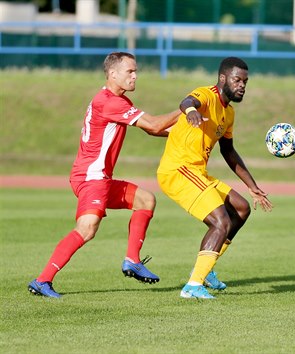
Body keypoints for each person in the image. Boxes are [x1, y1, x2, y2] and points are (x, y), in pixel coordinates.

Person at [28, 52, 181, 298]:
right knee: (87, 228)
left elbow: (154, 130)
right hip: (91, 178)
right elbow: (154, 125)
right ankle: (42, 280)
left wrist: (191, 132)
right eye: (130, 71)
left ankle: (132, 260)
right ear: (113, 74)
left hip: (99, 177)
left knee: (145, 199)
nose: (135, 76)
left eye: (135, 71)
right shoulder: (110, 102)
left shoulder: (117, 101)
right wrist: (185, 108)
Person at [157, 56, 273, 299]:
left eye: (245, 81)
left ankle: (206, 268)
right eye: (237, 79)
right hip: (178, 169)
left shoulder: (228, 113)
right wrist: (191, 111)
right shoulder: (206, 95)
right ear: (223, 79)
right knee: (221, 221)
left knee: (240, 209)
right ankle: (193, 286)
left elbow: (228, 151)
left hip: (197, 172)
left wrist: (252, 187)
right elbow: (187, 101)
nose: (242, 85)